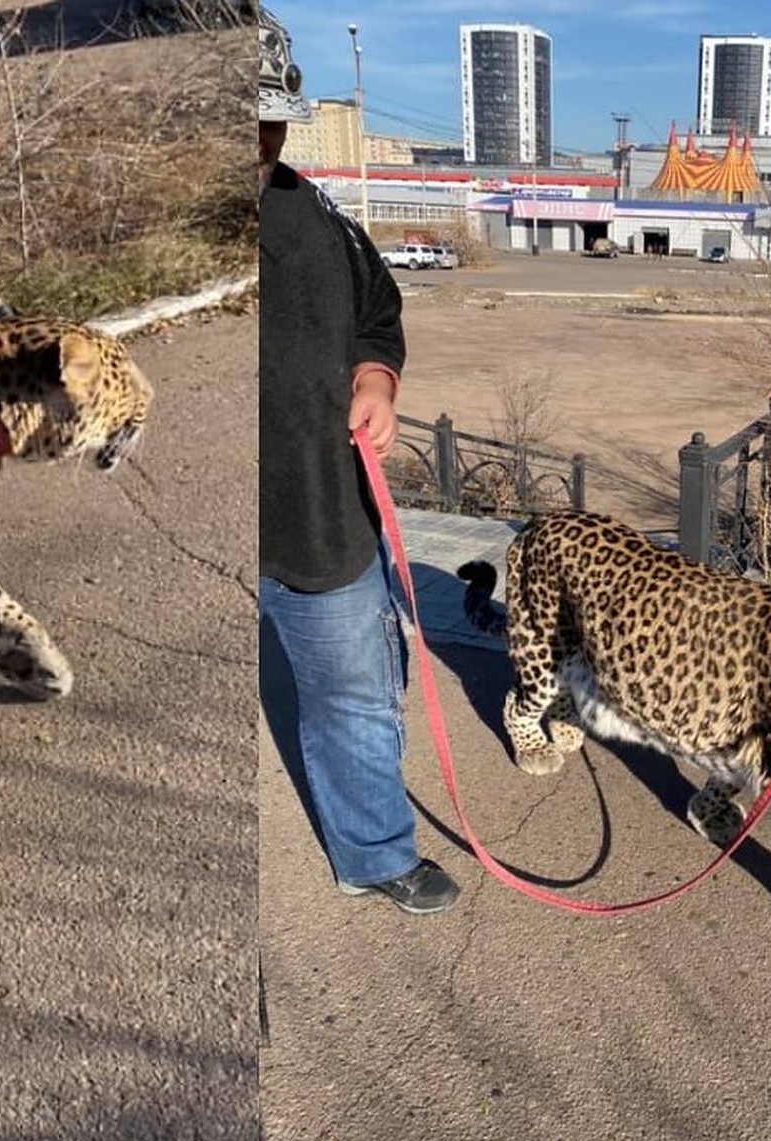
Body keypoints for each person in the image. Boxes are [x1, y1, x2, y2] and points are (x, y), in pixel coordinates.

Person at [258, 8, 459, 915]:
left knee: (358, 690)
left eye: (267, 121)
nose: (261, 141)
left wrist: (376, 371)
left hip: (322, 516)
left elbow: (379, 308)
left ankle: (373, 852)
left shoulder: (311, 212)